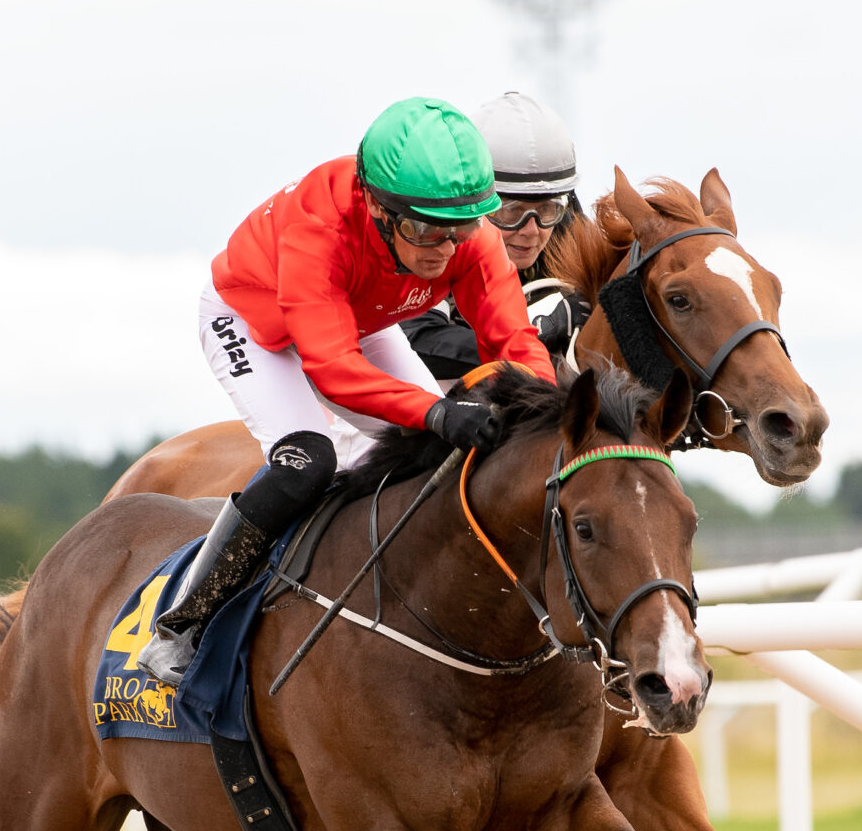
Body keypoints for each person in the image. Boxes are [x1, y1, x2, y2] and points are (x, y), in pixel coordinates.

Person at [140, 97, 555, 687]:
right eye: (422, 230)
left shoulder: (468, 238)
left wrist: (549, 410)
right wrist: (437, 411)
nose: (441, 252)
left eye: (459, 231)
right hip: (253, 322)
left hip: (356, 312)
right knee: (309, 459)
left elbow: (515, 343)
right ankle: (183, 625)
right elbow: (333, 368)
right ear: (378, 210)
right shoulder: (320, 227)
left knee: (435, 455)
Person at [403, 92, 588, 380]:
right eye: (510, 212)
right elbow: (417, 342)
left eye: (547, 209)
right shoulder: (435, 232)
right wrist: (538, 335)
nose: (531, 231)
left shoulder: (568, 227)